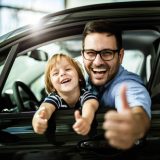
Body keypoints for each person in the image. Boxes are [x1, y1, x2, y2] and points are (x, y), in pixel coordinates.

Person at [81, 20, 151, 149]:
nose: (97, 62)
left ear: (120, 56)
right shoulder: (80, 82)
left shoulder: (127, 85)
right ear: (83, 55)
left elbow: (136, 110)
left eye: (107, 53)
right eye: (90, 53)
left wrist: (133, 125)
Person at [32, 53, 99, 137]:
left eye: (67, 69)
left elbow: (90, 104)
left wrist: (86, 119)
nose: (62, 73)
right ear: (52, 85)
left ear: (79, 77)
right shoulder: (55, 98)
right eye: (56, 73)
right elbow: (45, 107)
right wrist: (39, 118)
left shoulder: (85, 94)